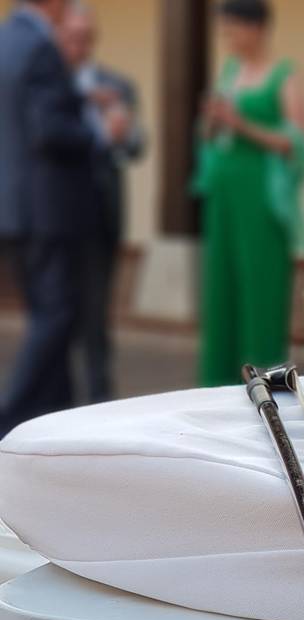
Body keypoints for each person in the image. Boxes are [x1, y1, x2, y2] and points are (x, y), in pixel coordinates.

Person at [0, 0, 124, 437]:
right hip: (46, 210)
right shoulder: (39, 44)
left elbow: (27, 109)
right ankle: (9, 415)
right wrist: (98, 133)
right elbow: (47, 130)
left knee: (47, 314)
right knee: (55, 316)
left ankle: (51, 416)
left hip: (15, 207)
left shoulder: (6, 39)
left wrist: (77, 97)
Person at [194, 0, 304, 386]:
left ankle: (263, 381)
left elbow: (296, 142)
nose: (227, 38)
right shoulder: (229, 72)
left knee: (259, 289)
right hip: (224, 198)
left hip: (261, 200)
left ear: (257, 27)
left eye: (233, 29)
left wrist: (242, 125)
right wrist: (212, 122)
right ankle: (217, 385)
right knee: (222, 289)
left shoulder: (285, 75)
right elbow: (213, 135)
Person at [60, 2, 145, 404]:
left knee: (96, 319)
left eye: (84, 39)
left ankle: (97, 399)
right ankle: (51, 402)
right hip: (51, 217)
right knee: (55, 317)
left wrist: (120, 130)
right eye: (71, 38)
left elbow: (137, 145)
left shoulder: (117, 85)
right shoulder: (46, 85)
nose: (78, 46)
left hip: (100, 213)